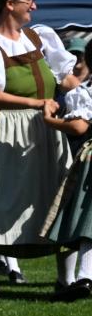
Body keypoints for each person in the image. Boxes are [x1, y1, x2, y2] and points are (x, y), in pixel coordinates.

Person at [0, 0, 75, 281]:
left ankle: (67, 281)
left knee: (58, 197)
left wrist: (84, 95)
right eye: (29, 1)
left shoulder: (40, 38)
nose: (34, 7)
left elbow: (66, 79)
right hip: (4, 130)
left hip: (45, 128)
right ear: (9, 4)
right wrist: (35, 103)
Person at [43, 48, 92, 297]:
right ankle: (78, 278)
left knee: (80, 217)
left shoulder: (84, 92)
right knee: (81, 218)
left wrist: (48, 120)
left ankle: (79, 278)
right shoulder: (84, 93)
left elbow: (79, 126)